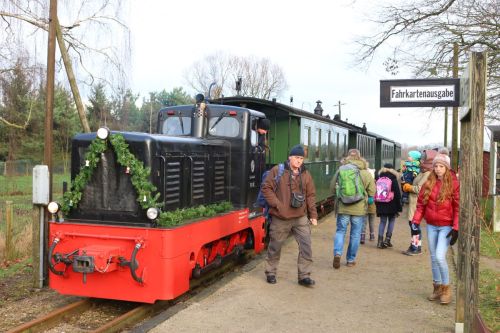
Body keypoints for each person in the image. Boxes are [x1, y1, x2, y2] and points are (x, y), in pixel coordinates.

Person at [261, 144, 318, 287]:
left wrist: (313, 214)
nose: (299, 161)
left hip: (300, 217)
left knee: (306, 246)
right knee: (275, 245)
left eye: (301, 158)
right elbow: (266, 188)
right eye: (297, 158)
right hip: (281, 217)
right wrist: (277, 204)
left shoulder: (306, 174)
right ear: (290, 158)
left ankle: (304, 276)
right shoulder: (277, 171)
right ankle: (271, 272)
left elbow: (311, 195)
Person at [411, 153, 459, 304]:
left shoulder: (454, 184)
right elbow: (420, 205)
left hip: (446, 226)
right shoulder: (428, 182)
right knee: (433, 258)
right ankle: (436, 287)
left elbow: (458, 208)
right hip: (431, 225)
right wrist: (415, 222)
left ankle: (446, 289)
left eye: (441, 166)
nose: (438, 169)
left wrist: (456, 228)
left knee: (439, 256)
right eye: (436, 166)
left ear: (446, 167)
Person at [331, 149, 375, 269]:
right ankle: (350, 260)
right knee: (355, 234)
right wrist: (369, 198)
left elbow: (332, 187)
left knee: (340, 231)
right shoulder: (365, 172)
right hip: (359, 209)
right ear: (360, 158)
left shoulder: (341, 169)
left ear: (348, 157)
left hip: (343, 207)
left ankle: (337, 253)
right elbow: (372, 191)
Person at [402, 149, 438, 255]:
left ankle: (416, 247)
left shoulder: (428, 174)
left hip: (417, 204)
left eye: (423, 159)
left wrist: (408, 187)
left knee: (415, 226)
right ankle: (414, 245)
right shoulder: (423, 172)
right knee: (413, 226)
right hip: (414, 203)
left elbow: (419, 189)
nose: (421, 161)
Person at [374, 163, 402, 249]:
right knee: (391, 221)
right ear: (392, 169)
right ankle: (387, 240)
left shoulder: (379, 177)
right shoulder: (393, 178)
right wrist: (399, 206)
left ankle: (379, 242)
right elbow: (397, 193)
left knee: (382, 222)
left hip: (381, 202)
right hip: (392, 203)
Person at [361, 163, 376, 243]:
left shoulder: (363, 183)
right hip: (373, 206)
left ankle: (362, 237)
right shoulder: (374, 183)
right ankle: (372, 236)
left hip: (364, 205)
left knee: (364, 222)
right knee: (372, 222)